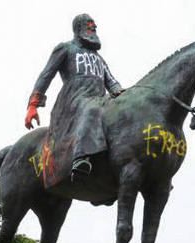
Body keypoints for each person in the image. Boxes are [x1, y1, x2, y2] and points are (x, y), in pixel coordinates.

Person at [25, 14, 124, 184]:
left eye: (94, 26)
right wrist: (33, 105)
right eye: (90, 25)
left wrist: (123, 96)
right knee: (91, 108)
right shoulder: (66, 48)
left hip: (100, 100)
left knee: (121, 114)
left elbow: (112, 82)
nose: (94, 28)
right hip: (74, 100)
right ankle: (80, 157)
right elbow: (45, 75)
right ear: (79, 28)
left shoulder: (99, 59)